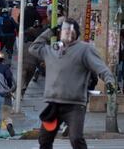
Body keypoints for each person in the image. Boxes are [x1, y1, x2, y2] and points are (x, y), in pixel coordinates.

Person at [28, 18, 115, 149]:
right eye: (64, 30)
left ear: (76, 33)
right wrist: (50, 32)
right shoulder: (52, 49)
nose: (67, 33)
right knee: (44, 139)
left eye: (70, 30)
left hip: (74, 105)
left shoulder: (84, 50)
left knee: (76, 138)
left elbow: (101, 68)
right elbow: (34, 48)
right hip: (54, 104)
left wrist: (109, 81)